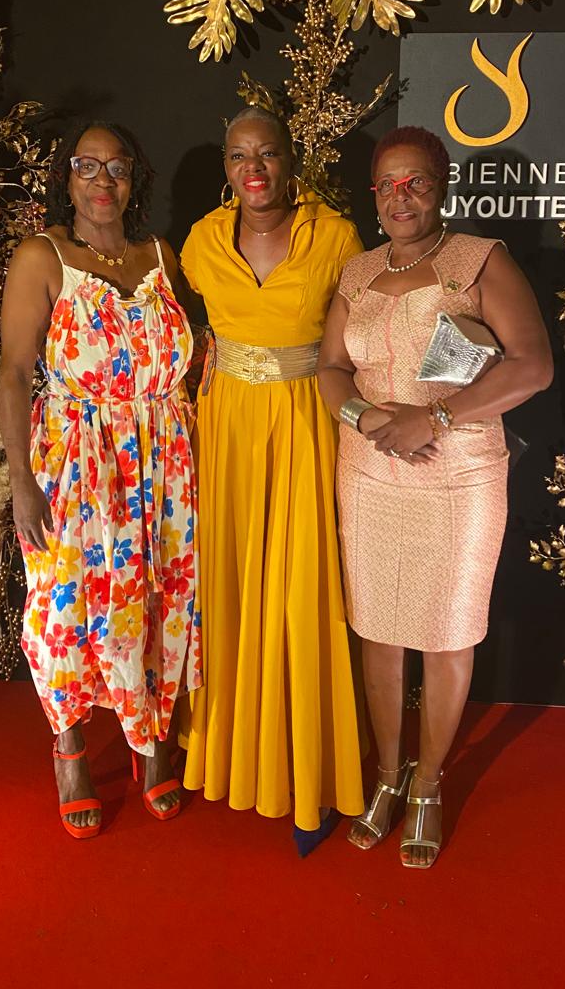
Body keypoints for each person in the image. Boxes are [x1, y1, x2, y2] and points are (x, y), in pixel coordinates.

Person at [317, 125, 553, 869]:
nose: (402, 196)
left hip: (458, 474)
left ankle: (427, 784)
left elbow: (533, 366)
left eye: (416, 181)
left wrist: (436, 418)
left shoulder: (479, 259)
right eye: (388, 184)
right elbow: (330, 369)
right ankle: (388, 775)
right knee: (379, 631)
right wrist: (367, 418)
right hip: (369, 472)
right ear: (374, 194)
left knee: (447, 634)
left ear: (441, 187)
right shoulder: (356, 273)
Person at [0, 119, 200, 838]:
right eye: (87, 166)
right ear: (67, 177)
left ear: (133, 178)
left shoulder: (161, 256)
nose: (102, 180)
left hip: (164, 462)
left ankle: (151, 739)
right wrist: (21, 480)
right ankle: (71, 748)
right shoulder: (43, 256)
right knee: (65, 610)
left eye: (116, 166)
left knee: (159, 601)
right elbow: (14, 371)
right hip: (76, 464)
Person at [180, 105, 364, 849]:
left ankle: (309, 773)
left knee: (302, 589)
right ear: (226, 169)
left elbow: (360, 338)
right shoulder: (199, 243)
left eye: (267, 153)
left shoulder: (337, 236)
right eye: (238, 155)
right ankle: (229, 756)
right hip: (226, 431)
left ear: (291, 161)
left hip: (303, 425)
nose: (253, 168)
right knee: (228, 583)